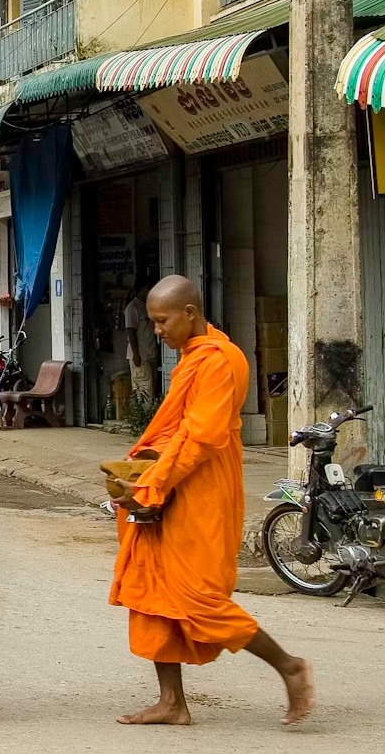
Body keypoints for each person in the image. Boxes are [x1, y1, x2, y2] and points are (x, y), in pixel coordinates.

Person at [108, 275, 314, 726]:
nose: (156, 331)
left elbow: (201, 439)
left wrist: (152, 486)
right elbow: (174, 430)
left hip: (202, 487)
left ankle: (289, 666)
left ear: (189, 313)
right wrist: (142, 468)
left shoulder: (220, 361)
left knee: (199, 597)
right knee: (152, 592)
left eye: (162, 321)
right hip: (171, 479)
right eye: (152, 322)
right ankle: (172, 703)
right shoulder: (191, 358)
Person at [124, 272, 159, 404]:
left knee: (152, 388)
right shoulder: (132, 308)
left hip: (151, 353)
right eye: (148, 288)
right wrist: (136, 354)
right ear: (141, 289)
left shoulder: (148, 306)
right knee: (144, 389)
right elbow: (130, 333)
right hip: (140, 356)